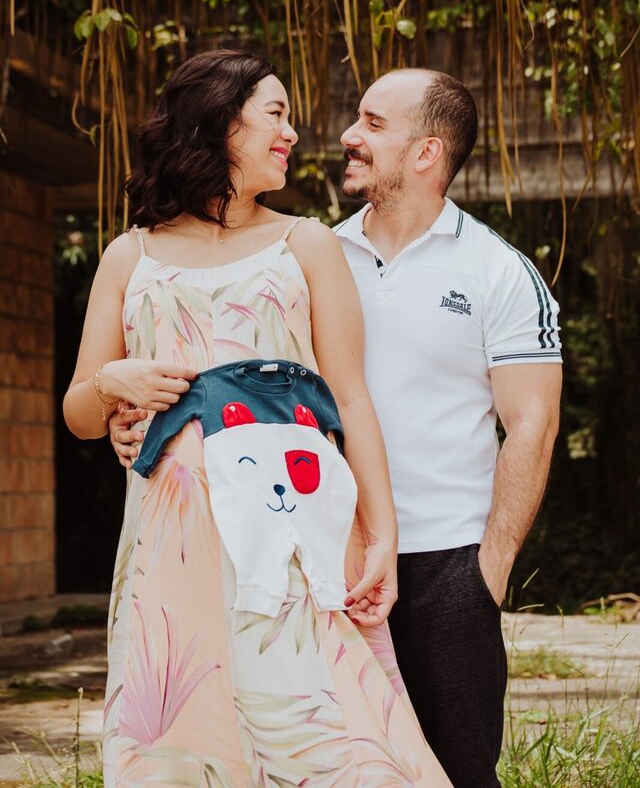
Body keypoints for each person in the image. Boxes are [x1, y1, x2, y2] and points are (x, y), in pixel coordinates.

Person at [63, 51, 452, 788]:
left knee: (319, 720)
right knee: (186, 729)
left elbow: (351, 397)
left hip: (292, 528)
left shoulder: (305, 243)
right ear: (218, 122)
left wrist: (381, 534)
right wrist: (112, 383)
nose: (292, 133)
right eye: (275, 114)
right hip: (171, 544)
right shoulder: (128, 256)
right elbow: (80, 414)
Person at [335, 68, 563, 788]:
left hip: (449, 568)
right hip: (332, 562)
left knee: (460, 772)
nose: (349, 135)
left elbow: (532, 423)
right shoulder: (315, 260)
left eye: (373, 123)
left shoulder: (500, 271)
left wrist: (486, 574)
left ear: (426, 152)